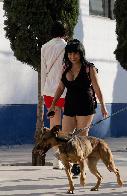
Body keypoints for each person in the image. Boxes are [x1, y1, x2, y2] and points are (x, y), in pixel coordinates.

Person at [48, 39, 109, 176]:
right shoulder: (65, 68)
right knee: (65, 135)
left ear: (81, 53)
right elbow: (60, 87)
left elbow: (97, 88)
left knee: (81, 137)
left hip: (85, 104)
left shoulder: (89, 68)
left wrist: (103, 106)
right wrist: (53, 104)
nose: (72, 56)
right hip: (70, 104)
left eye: (75, 53)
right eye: (69, 54)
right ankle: (71, 159)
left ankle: (79, 165)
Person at [41, 21, 67, 170]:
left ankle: (57, 160)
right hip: (65, 90)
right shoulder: (67, 47)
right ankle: (67, 157)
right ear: (64, 32)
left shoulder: (44, 47)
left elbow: (44, 71)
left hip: (49, 91)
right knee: (68, 124)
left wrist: (43, 91)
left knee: (54, 126)